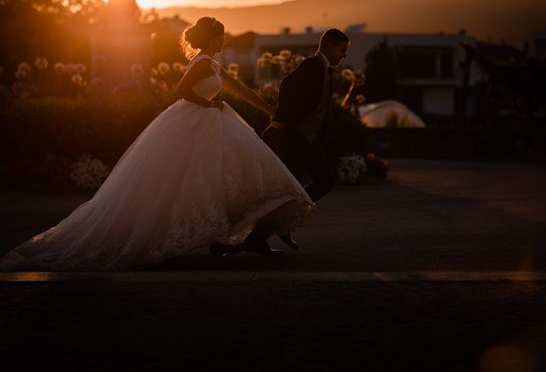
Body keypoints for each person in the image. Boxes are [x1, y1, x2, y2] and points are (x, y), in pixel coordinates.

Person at [0, 17, 312, 270]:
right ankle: (208, 237)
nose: (225, 41)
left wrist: (271, 110)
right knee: (183, 180)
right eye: (223, 36)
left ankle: (224, 235)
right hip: (194, 121)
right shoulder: (203, 63)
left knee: (216, 177)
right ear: (212, 38)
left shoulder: (214, 65)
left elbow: (241, 90)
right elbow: (181, 89)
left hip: (210, 122)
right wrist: (208, 105)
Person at [242, 28, 349, 253]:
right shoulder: (312, 65)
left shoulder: (322, 68)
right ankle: (259, 236)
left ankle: (281, 224)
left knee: (322, 181)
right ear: (329, 46)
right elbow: (287, 85)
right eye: (342, 49)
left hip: (308, 141)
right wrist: (283, 121)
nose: (344, 55)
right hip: (297, 139)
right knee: (290, 189)